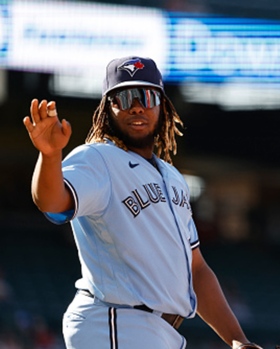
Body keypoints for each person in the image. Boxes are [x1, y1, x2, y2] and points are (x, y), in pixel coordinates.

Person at [23, 56, 265, 349]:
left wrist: (238, 339)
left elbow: (196, 269)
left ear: (162, 106)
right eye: (124, 97)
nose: (136, 106)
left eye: (147, 96)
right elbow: (51, 202)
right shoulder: (98, 158)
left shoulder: (173, 177)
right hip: (117, 320)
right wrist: (50, 156)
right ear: (107, 109)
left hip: (161, 331)